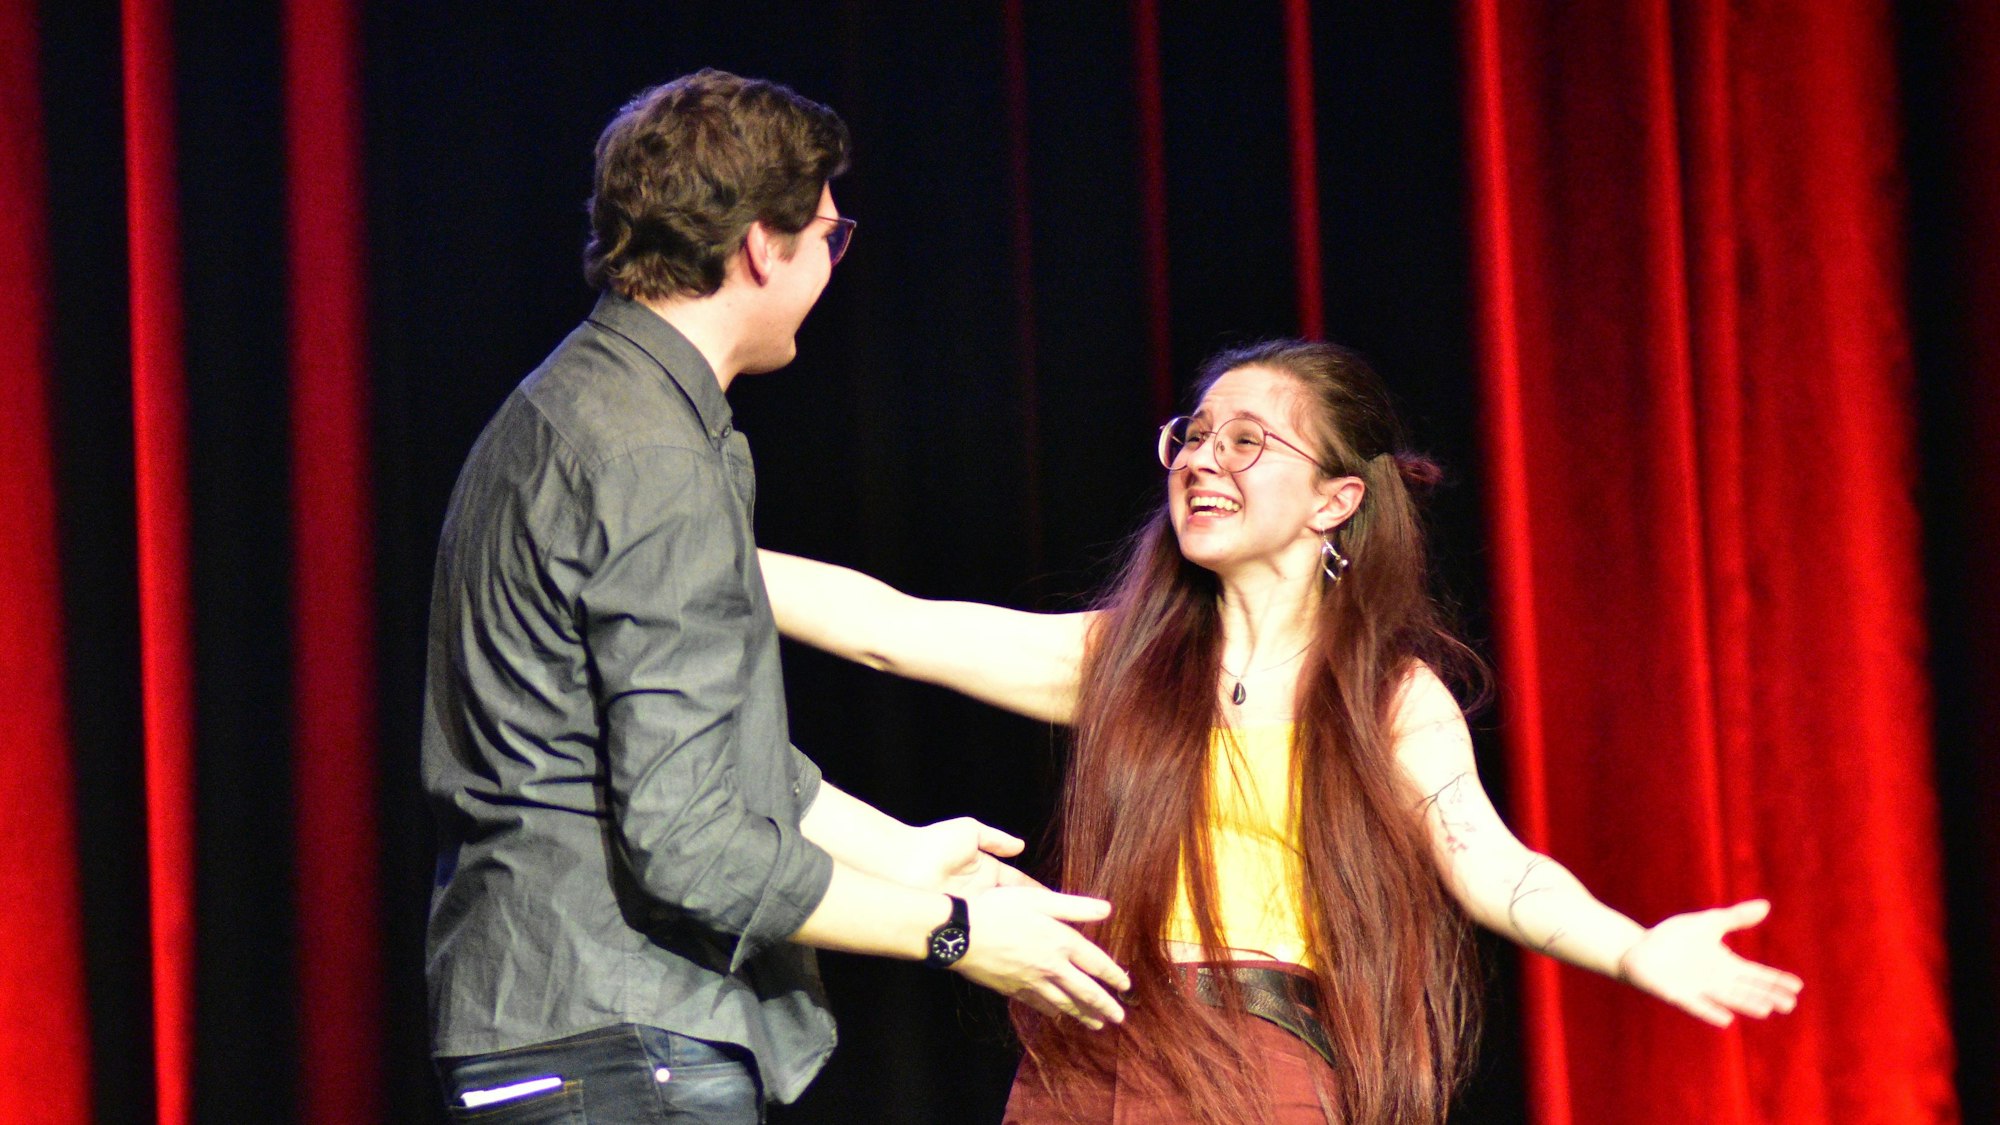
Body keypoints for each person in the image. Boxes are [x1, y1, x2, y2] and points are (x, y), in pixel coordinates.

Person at [759, 339, 1804, 1124]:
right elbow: (888, 631)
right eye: (1194, 435)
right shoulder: (1121, 658)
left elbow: (1491, 866)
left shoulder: (1385, 698)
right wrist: (667, 546)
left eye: (1247, 442)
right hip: (1086, 1056)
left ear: (1333, 500)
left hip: (1258, 1065)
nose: (1203, 460)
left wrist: (1632, 950)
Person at [422, 69, 1130, 1124]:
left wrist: (905, 851)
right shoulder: (648, 453)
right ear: (761, 244)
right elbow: (688, 837)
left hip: (549, 1024)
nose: (832, 267)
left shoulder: (565, 409)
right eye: (829, 240)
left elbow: (681, 754)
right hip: (622, 1041)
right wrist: (953, 931)